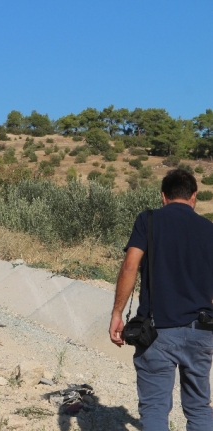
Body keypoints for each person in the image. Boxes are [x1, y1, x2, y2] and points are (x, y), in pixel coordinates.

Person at [109, 169, 213, 430]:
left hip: (157, 332)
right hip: (201, 330)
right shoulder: (209, 229)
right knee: (199, 408)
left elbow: (130, 266)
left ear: (163, 197)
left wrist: (117, 314)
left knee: (155, 407)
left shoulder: (149, 220)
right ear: (194, 197)